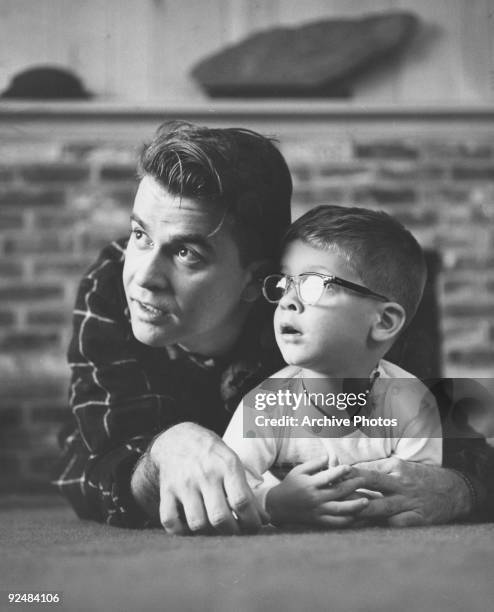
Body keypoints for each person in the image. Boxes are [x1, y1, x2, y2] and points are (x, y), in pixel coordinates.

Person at [54, 121, 494, 534]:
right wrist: (162, 454)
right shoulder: (113, 284)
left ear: (256, 279)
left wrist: (459, 490)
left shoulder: (341, 307)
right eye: (139, 234)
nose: (144, 275)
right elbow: (92, 464)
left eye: (187, 252)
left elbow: (468, 443)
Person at [223, 205, 443, 527]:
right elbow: (227, 491)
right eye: (285, 283)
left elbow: (418, 496)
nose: (287, 300)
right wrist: (273, 502)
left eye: (314, 284)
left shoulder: (414, 405)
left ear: (383, 321)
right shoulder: (264, 407)